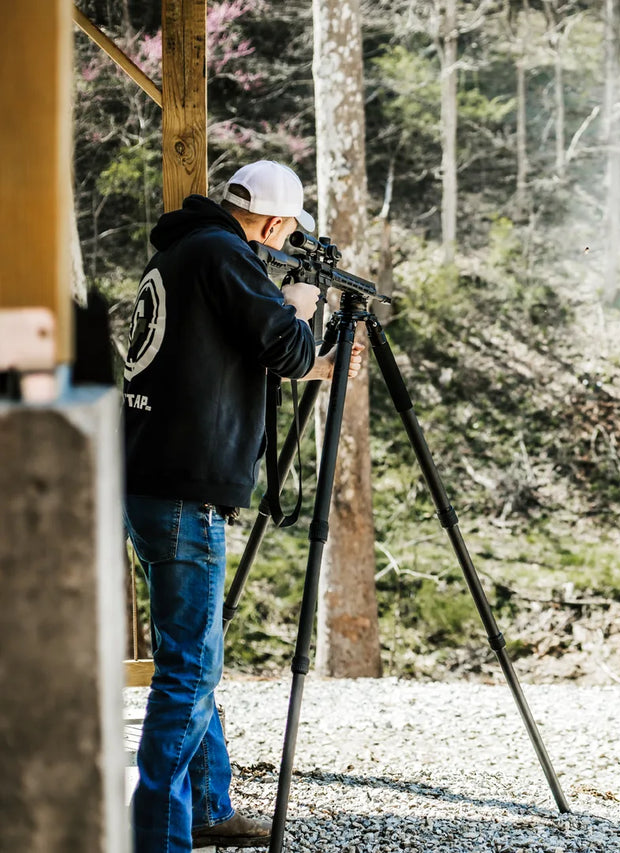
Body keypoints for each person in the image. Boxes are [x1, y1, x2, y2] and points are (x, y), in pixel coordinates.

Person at [121, 160, 363, 852]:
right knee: (189, 668)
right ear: (276, 222)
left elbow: (236, 354)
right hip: (183, 489)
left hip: (154, 477)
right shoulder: (225, 255)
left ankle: (207, 805)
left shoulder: (183, 251)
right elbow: (287, 347)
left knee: (191, 652)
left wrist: (300, 343)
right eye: (287, 235)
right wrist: (303, 305)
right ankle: (159, 834)